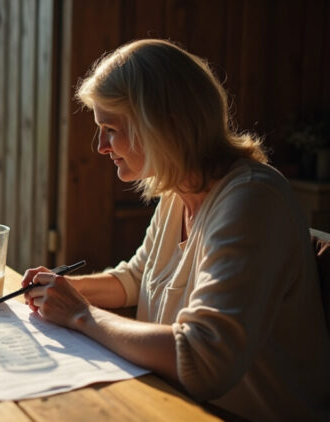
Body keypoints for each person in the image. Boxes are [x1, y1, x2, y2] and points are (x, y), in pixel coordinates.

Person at [22, 39, 330, 421]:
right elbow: (135, 279)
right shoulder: (177, 191)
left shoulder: (252, 200)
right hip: (172, 405)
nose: (100, 146)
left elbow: (202, 359)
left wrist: (80, 314)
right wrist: (61, 290)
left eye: (110, 128)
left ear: (160, 126)